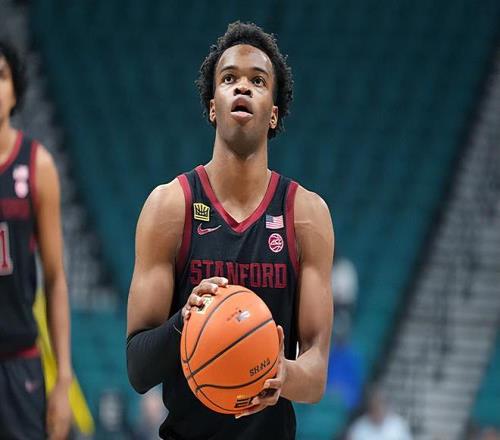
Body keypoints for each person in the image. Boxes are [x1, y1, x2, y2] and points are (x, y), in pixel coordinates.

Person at [126, 21, 334, 439]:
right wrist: (184, 322)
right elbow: (138, 368)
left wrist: (283, 374)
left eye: (258, 81)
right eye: (229, 78)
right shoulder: (170, 207)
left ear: (273, 113)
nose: (242, 87)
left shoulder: (306, 215)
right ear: (212, 106)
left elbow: (316, 375)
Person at [0, 40, 72, 439]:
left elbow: (56, 279)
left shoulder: (37, 165)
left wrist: (62, 380)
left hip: (19, 363)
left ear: (15, 92)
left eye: (1, 76)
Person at [348, 386, 412, 440]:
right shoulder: (358, 428)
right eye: (375, 407)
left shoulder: (398, 425)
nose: (379, 410)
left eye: (381, 405)